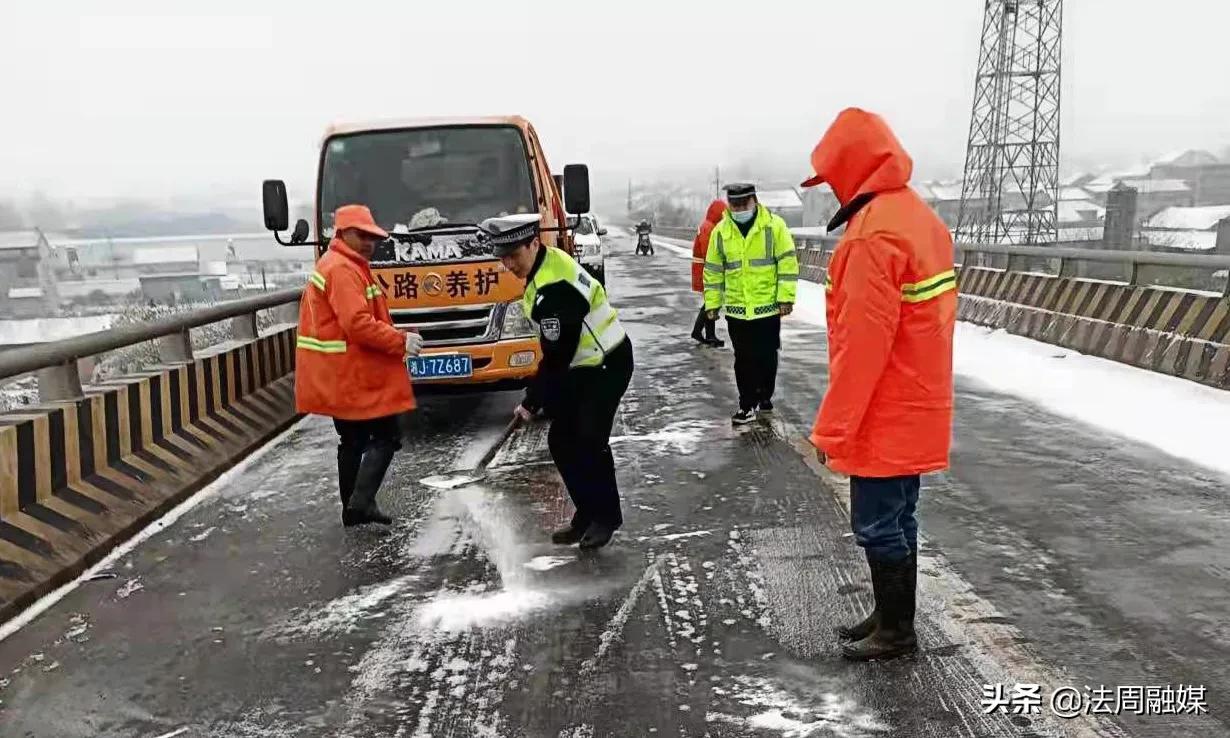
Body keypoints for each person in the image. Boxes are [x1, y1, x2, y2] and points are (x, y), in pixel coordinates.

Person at [801, 108, 957, 661]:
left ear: (851, 170)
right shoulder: (917, 218)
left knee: (876, 523)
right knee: (899, 516)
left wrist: (833, 430)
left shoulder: (871, 237)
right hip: (918, 400)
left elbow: (862, 350)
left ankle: (897, 632)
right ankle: (891, 616)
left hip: (884, 408)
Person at [485, 215, 634, 550]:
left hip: (607, 362)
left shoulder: (554, 286)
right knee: (562, 439)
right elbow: (559, 357)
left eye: (514, 255)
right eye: (503, 257)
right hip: (584, 365)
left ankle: (606, 517)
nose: (509, 264)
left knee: (589, 439)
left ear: (533, 243)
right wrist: (541, 398)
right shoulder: (543, 265)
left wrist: (532, 401)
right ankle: (586, 513)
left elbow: (557, 357)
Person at [295, 204, 424, 527]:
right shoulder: (342, 269)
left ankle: (352, 507)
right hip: (354, 371)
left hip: (340, 370)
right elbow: (357, 323)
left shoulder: (342, 263)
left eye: (372, 237)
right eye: (361, 235)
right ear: (341, 234)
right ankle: (361, 501)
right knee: (387, 435)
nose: (369, 242)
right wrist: (400, 340)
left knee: (351, 440)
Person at [703, 183, 799, 425]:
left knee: (766, 356)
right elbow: (713, 271)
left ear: (754, 201)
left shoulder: (773, 226)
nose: (738, 209)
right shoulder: (721, 232)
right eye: (733, 205)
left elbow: (787, 263)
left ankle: (764, 395)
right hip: (737, 310)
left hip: (767, 308)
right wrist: (712, 305)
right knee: (743, 358)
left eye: (743, 204)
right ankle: (746, 404)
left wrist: (786, 297)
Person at [690, 200, 727, 347]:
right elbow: (709, 253)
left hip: (705, 268)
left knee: (712, 301)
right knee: (711, 302)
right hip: (706, 269)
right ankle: (700, 332)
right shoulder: (708, 228)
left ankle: (708, 334)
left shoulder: (709, 226)